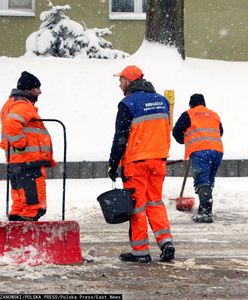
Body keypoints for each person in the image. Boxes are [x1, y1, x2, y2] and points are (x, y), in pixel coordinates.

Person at [108, 65, 175, 263]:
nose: (119, 84)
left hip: (136, 162)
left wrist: (113, 164)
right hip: (159, 160)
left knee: (137, 207)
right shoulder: (162, 102)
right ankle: (166, 242)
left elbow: (120, 137)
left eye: (121, 80)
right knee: (155, 202)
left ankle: (140, 252)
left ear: (129, 81)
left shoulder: (127, 103)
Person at [0, 71, 56, 221]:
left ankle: (16, 226)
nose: (40, 92)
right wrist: (20, 144)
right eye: (37, 88)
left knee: (20, 198)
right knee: (33, 203)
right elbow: (12, 123)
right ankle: (29, 235)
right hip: (29, 161)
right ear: (29, 89)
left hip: (17, 160)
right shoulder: (22, 105)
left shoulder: (11, 103)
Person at [173, 94, 224, 223]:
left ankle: (206, 213)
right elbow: (221, 132)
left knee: (202, 182)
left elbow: (176, 131)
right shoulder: (213, 114)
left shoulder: (189, 114)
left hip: (200, 151)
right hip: (217, 151)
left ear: (191, 104)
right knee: (208, 181)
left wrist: (185, 140)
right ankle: (204, 208)